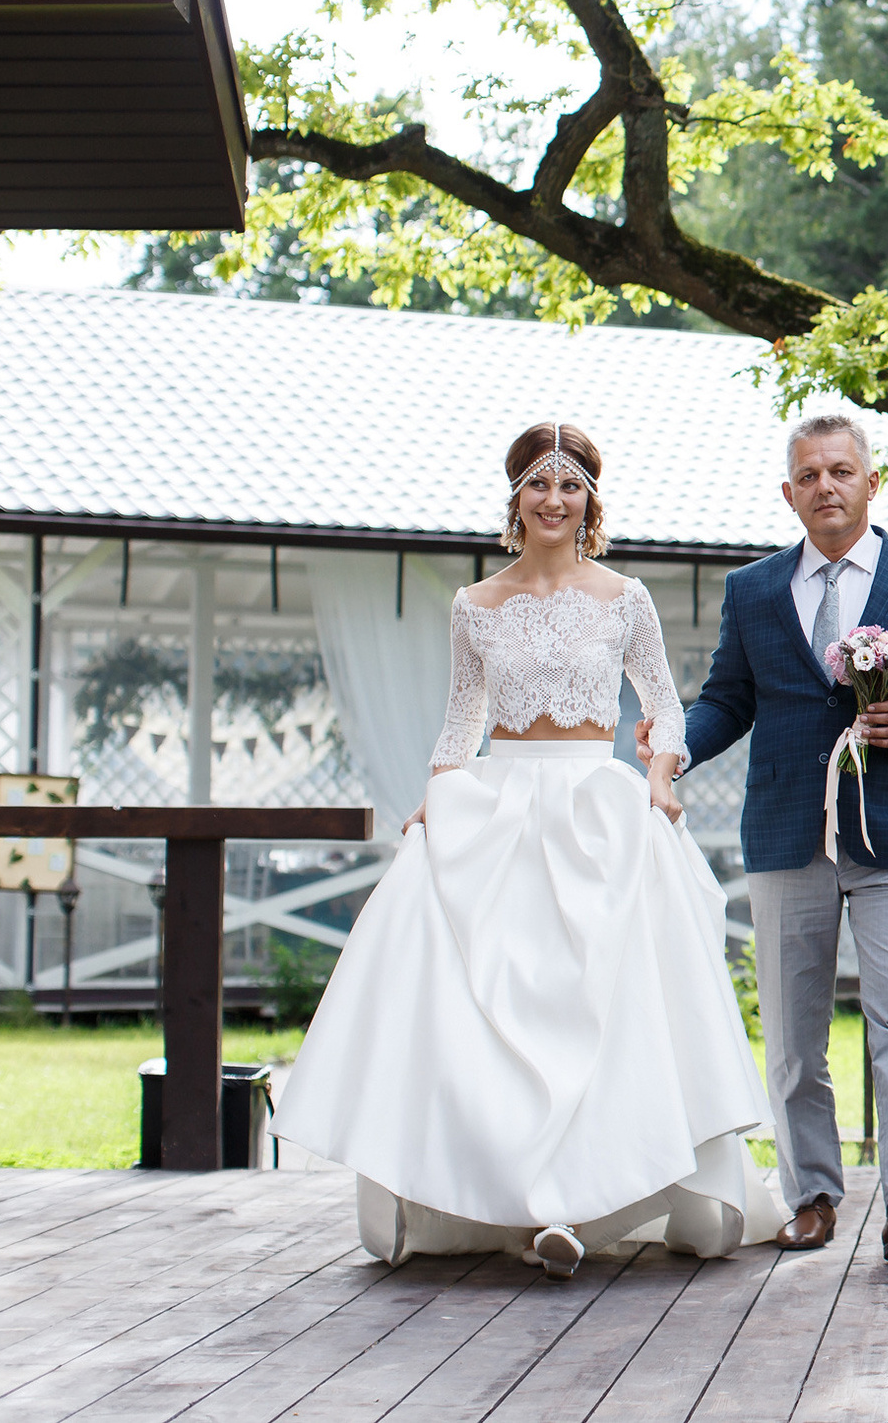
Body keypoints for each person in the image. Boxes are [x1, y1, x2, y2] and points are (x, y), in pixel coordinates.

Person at [273, 423, 780, 1278]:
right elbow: (460, 721)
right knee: (485, 1005)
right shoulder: (474, 605)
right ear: (516, 499)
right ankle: (509, 1202)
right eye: (540, 485)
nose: (555, 500)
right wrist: (433, 799)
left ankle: (587, 1204)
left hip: (597, 808)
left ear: (590, 500)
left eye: (570, 485)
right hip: (499, 809)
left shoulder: (625, 598)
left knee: (602, 1014)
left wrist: (660, 775)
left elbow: (666, 706)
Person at [644, 413, 888, 1261]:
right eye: (809, 475)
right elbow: (728, 698)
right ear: (789, 492)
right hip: (785, 835)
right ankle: (811, 1196)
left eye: (842, 471)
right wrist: (674, 745)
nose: (826, 487)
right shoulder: (754, 590)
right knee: (796, 1035)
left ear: (873, 484)